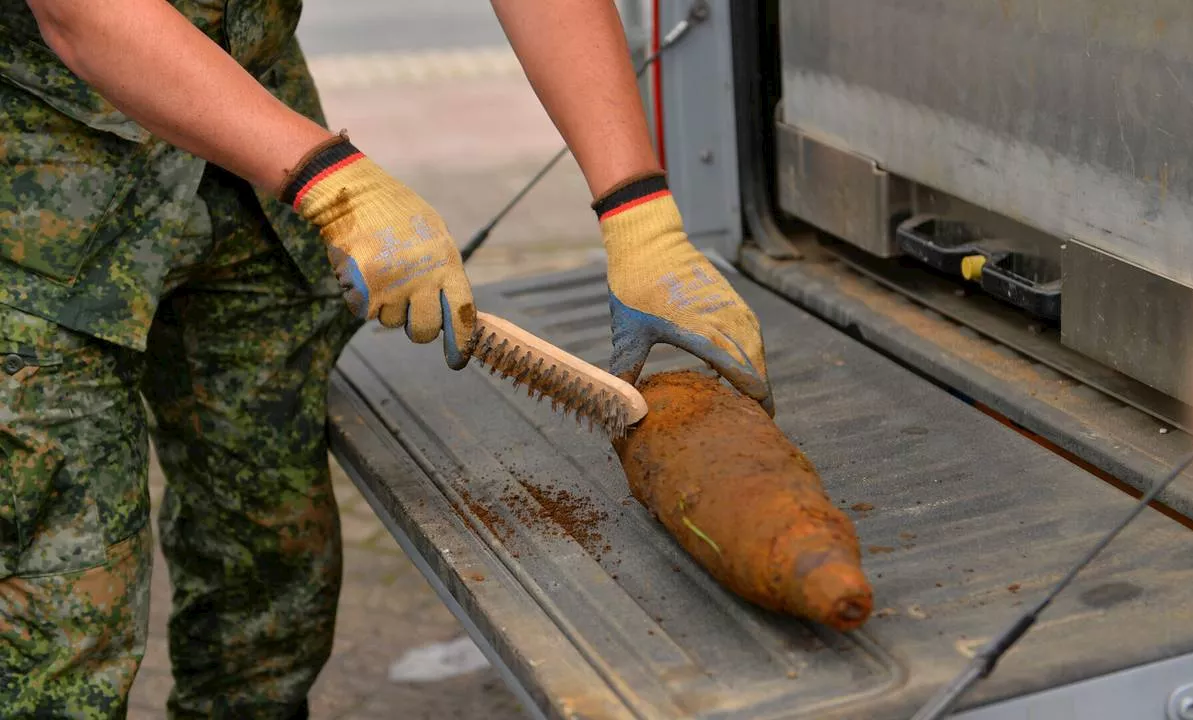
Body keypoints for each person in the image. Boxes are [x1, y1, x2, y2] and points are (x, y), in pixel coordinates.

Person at [0, 0, 772, 716]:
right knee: (60, 617)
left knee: (269, 579)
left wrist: (638, 213)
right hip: (35, 174)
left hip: (247, 156)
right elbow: (81, 11)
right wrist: (329, 180)